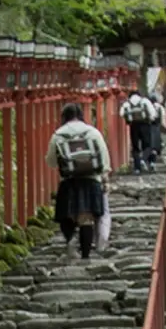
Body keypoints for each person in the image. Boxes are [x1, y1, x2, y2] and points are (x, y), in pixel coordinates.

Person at [46, 101, 111, 259]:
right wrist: (105, 179)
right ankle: (86, 256)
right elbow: (104, 158)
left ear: (64, 117)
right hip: (91, 180)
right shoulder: (93, 132)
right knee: (87, 219)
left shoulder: (58, 135)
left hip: (69, 181)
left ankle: (70, 239)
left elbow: (51, 162)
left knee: (66, 215)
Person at [121, 88, 154, 173]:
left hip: (133, 126)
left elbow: (121, 113)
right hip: (145, 124)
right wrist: (151, 119)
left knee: (135, 147)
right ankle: (143, 159)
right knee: (147, 145)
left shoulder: (127, 103)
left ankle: (137, 168)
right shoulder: (145, 101)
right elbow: (152, 113)